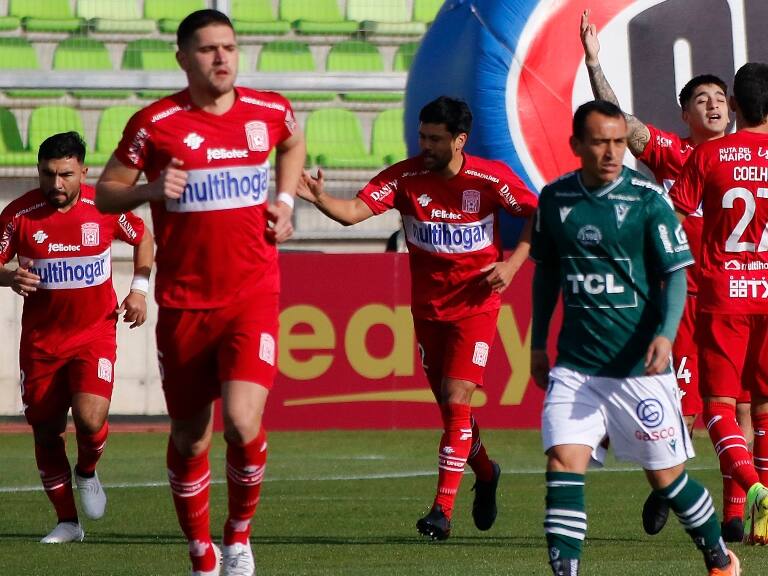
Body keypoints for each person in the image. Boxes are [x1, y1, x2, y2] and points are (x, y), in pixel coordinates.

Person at [94, 8, 304, 576]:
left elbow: (292, 144)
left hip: (251, 295)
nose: (222, 58)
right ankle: (200, 552)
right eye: (209, 49)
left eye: (229, 47)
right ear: (184, 57)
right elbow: (105, 193)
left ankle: (237, 539)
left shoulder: (268, 111)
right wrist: (152, 188)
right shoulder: (155, 123)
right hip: (186, 304)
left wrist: (284, 204)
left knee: (241, 422)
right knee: (190, 437)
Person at [296, 96, 538, 540]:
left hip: (477, 306)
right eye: (422, 136)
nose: (424, 144)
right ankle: (485, 471)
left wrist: (512, 263)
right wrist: (319, 197)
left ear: (460, 140)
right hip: (428, 311)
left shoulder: (489, 178)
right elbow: (352, 214)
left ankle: (441, 512)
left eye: (434, 138)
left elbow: (538, 214)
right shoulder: (405, 178)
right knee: (451, 409)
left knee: (457, 396)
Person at [531, 100, 739, 576]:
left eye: (619, 143)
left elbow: (677, 275)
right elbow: (546, 275)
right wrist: (537, 343)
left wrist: (665, 336)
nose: (611, 152)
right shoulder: (555, 199)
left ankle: (717, 555)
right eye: (600, 142)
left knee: (666, 479)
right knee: (563, 463)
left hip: (639, 372)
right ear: (576, 145)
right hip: (577, 369)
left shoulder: (647, 200)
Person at [580, 9, 753, 541]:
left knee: (743, 404)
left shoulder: (748, 157)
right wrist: (594, 63)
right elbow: (620, 120)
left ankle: (733, 510)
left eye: (720, 97)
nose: (714, 104)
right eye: (701, 99)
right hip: (683, 302)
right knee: (682, 412)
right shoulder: (676, 155)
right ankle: (667, 485)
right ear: (684, 114)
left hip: (737, 297)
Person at [0, 131, 152, 543]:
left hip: (93, 335)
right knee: (47, 431)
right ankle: (67, 522)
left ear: (83, 171)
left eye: (66, 174)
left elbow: (143, 237)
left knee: (89, 417)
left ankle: (87, 471)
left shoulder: (103, 208)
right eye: (48, 174)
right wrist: (9, 275)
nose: (56, 184)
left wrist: (139, 290)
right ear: (39, 172)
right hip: (41, 344)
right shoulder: (19, 215)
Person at [670, 61, 768, 546]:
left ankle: (753, 490)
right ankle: (763, 512)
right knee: (765, 407)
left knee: (718, 407)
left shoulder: (710, 154)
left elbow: (673, 216)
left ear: (733, 106)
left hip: (723, 292)